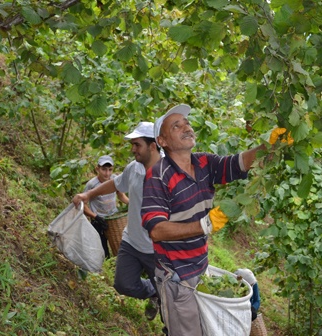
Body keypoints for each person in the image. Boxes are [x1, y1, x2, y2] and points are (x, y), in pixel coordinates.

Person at [141, 104, 291, 336]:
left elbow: (240, 163)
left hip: (201, 268)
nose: (186, 128)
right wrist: (204, 225)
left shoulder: (204, 163)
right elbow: (157, 230)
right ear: (162, 141)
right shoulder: (158, 175)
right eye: (176, 126)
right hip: (176, 275)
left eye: (187, 123)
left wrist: (270, 146)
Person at [72, 122, 162, 321]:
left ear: (153, 146)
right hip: (131, 242)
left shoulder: (169, 173)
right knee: (123, 284)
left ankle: (164, 305)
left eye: (137, 144)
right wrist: (89, 194)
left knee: (170, 303)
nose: (133, 149)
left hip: (158, 250)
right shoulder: (134, 168)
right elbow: (116, 183)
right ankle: (154, 292)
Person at [82, 155, 129, 259]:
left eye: (110, 170)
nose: (107, 173)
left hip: (113, 218)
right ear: (97, 168)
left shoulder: (114, 180)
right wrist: (95, 217)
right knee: (102, 249)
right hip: (98, 220)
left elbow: (121, 195)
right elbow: (83, 205)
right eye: (104, 169)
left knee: (119, 245)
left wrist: (132, 203)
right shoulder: (92, 184)